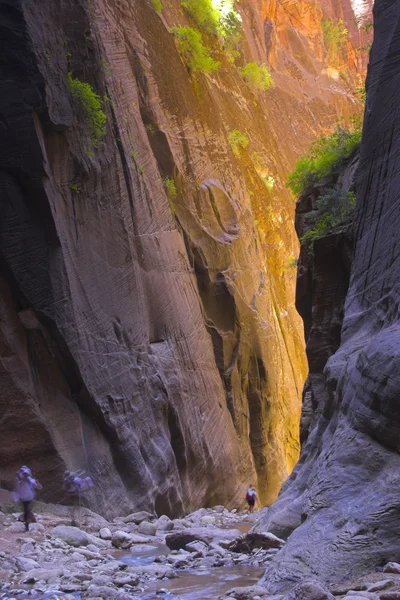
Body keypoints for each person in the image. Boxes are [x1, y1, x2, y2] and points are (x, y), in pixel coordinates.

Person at [13, 466, 42, 531]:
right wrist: (16, 498)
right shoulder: (19, 481)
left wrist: (37, 484)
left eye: (27, 475)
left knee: (27, 510)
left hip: (30, 498)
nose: (26, 476)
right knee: (26, 511)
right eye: (24, 475)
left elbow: (39, 487)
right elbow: (17, 490)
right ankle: (27, 523)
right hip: (24, 499)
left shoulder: (30, 480)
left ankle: (27, 525)